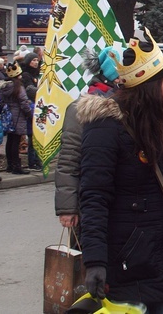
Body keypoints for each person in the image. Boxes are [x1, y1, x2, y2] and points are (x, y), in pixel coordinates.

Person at [77, 28, 163, 314]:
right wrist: (95, 261)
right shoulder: (105, 127)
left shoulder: (160, 123)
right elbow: (93, 198)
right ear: (148, 86)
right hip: (122, 258)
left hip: (157, 256)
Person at [54, 45, 124, 232]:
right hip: (89, 201)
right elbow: (69, 160)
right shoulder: (80, 108)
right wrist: (68, 208)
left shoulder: (127, 105)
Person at [0, 62, 32, 174]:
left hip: (8, 116)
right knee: (16, 141)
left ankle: (10, 165)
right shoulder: (18, 88)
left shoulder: (4, 87)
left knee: (10, 141)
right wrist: (29, 114)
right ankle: (16, 167)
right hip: (17, 116)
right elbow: (24, 103)